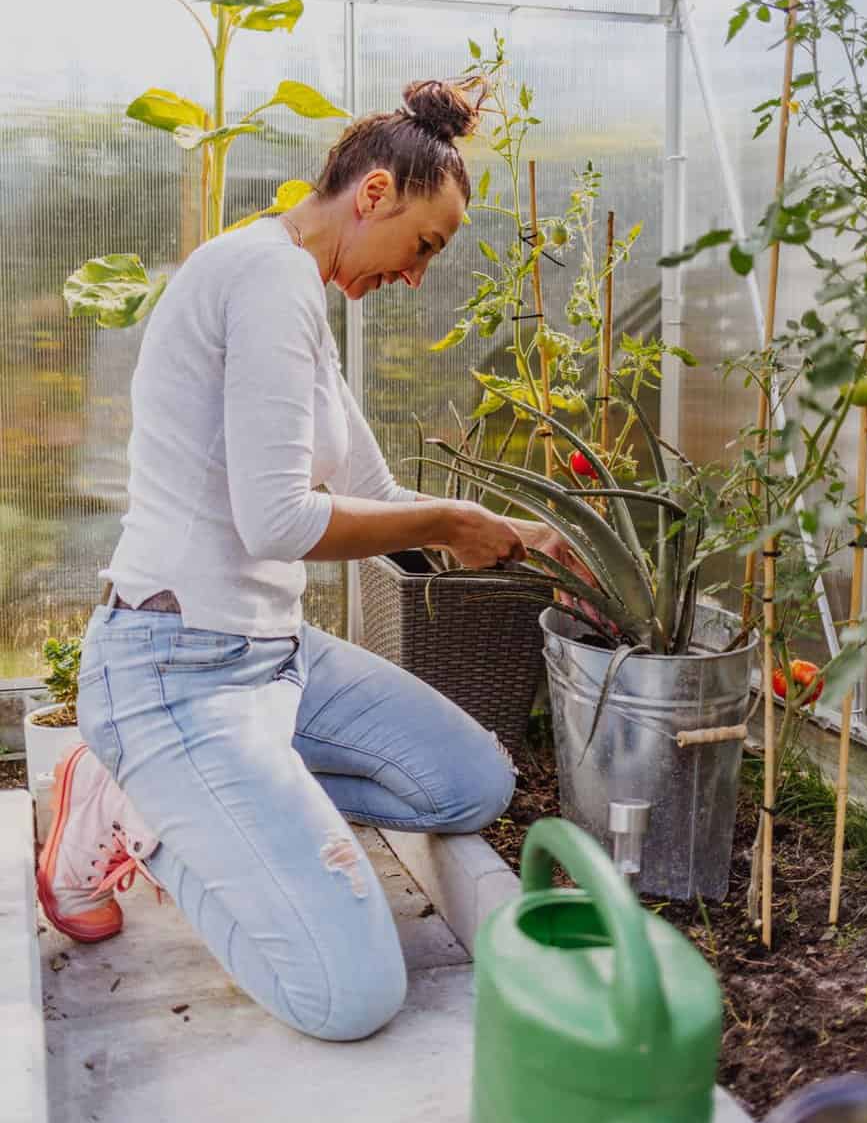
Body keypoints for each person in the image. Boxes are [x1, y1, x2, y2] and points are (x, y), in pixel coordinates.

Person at [36, 78, 573, 1042]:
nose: (416, 276)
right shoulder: (263, 276)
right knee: (349, 996)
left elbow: (370, 484)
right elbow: (278, 522)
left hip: (277, 655)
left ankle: (190, 796)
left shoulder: (302, 299)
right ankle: (141, 805)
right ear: (373, 194)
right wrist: (450, 524)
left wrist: (510, 533)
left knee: (472, 784)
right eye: (424, 247)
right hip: (176, 668)